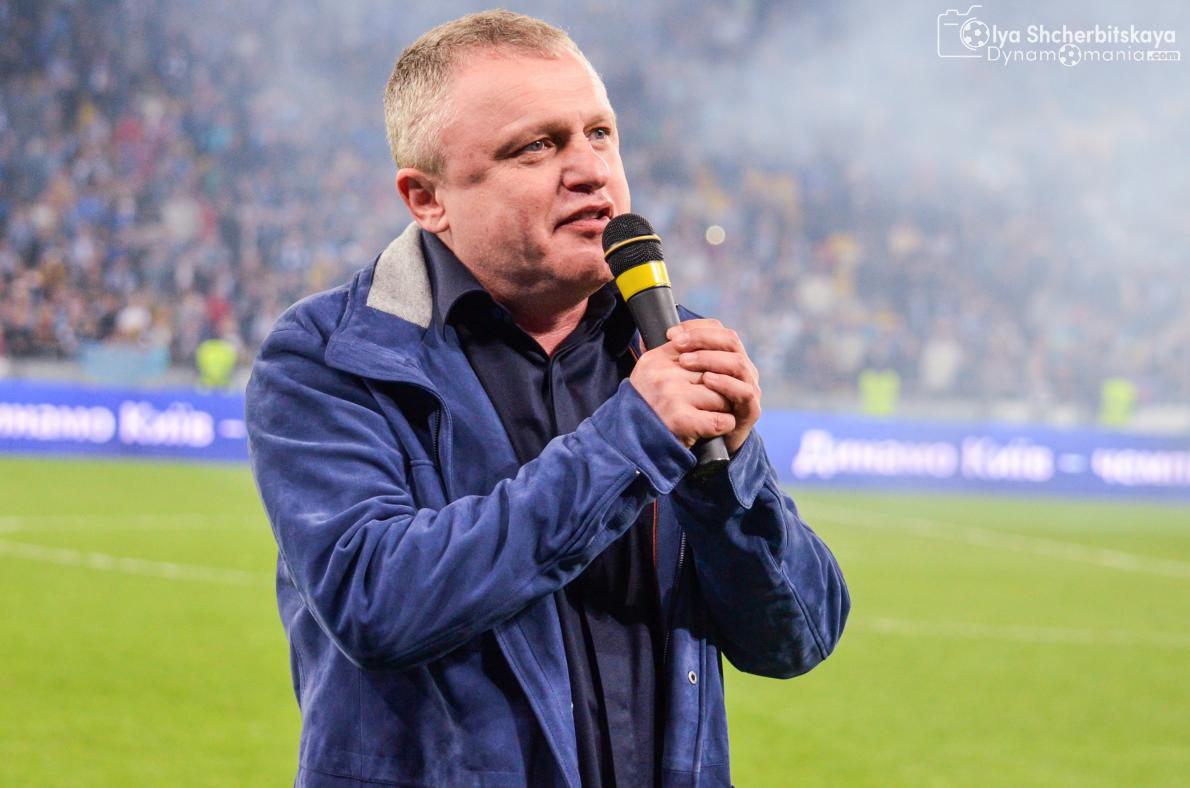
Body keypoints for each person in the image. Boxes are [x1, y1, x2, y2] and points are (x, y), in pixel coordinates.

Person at [246, 10, 849, 788]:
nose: (591, 170)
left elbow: (797, 638)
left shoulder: (663, 348)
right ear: (426, 198)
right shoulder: (332, 356)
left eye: (600, 134)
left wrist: (726, 476)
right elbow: (376, 601)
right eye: (536, 146)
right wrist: (632, 439)